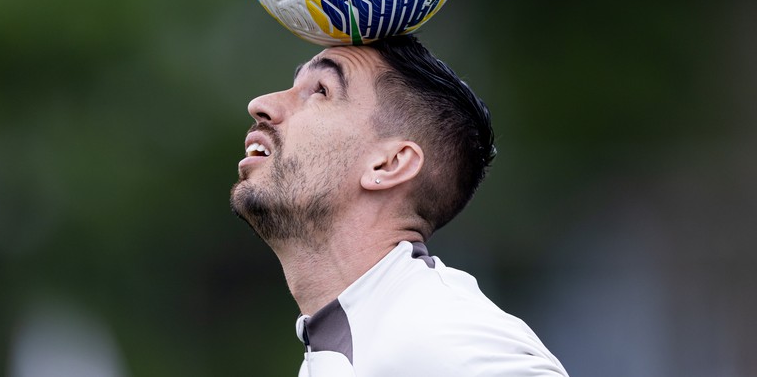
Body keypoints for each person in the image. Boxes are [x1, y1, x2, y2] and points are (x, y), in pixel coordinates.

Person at [230, 34, 568, 376]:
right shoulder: (350, 342)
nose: (261, 104)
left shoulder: (443, 334)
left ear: (389, 164)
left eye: (320, 91)